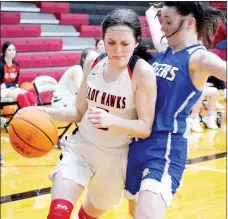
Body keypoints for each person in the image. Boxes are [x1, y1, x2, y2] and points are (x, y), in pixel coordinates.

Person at [16, 8, 157, 219]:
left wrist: (113, 120)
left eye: (125, 44)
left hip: (116, 156)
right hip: (81, 147)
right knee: (57, 214)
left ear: (136, 42)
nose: (117, 50)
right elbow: (78, 111)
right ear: (103, 39)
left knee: (89, 215)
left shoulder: (142, 72)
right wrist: (40, 111)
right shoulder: (93, 63)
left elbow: (145, 128)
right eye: (111, 42)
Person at [126, 2, 226, 219]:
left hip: (165, 149)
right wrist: (155, 11)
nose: (163, 27)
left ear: (190, 23)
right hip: (135, 144)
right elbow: (154, 20)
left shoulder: (199, 59)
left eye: (168, 22)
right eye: (163, 21)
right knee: (132, 212)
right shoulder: (165, 50)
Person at [0, 41, 37, 107]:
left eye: (13, 50)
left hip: (12, 88)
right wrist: (8, 85)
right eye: (9, 50)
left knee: (29, 95)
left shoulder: (16, 65)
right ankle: (26, 113)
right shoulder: (1, 65)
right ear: (4, 52)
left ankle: (34, 112)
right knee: (22, 96)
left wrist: (8, 85)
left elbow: (16, 82)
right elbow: (2, 85)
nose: (12, 52)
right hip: (3, 91)